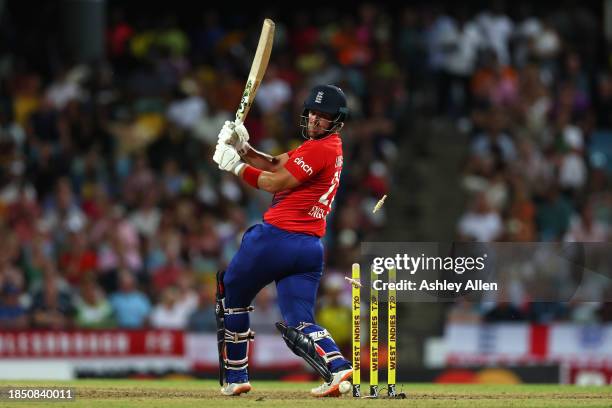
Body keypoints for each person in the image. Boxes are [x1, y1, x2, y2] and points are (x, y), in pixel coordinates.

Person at [212, 85, 352, 397]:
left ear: (336, 121)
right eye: (313, 113)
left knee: (231, 294)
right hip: (309, 249)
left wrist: (234, 165)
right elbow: (276, 164)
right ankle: (338, 367)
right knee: (299, 320)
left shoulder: (319, 149)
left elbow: (274, 181)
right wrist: (245, 149)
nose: (315, 119)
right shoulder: (326, 146)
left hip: (276, 238)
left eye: (324, 116)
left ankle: (236, 376)